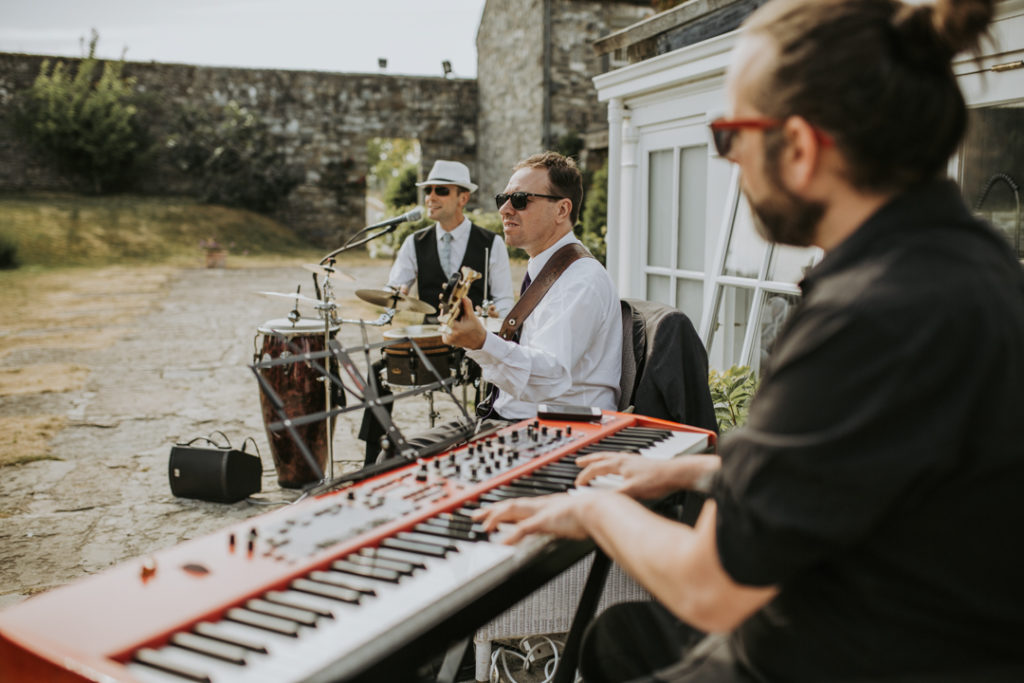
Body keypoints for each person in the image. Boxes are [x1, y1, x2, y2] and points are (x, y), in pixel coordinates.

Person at [474, 0, 1024, 681]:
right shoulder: (965, 261)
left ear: (797, 146)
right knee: (622, 636)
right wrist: (698, 467)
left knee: (631, 639)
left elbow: (711, 583)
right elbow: (869, 461)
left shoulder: (871, 311)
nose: (730, 161)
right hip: (905, 621)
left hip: (849, 650)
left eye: (730, 135)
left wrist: (591, 506)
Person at [442, 151, 622, 420]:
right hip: (522, 422)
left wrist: (481, 342)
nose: (504, 209)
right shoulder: (550, 268)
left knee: (401, 458)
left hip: (560, 433)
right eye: (503, 199)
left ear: (562, 210)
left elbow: (549, 377)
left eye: (520, 199)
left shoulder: (580, 280)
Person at [387, 159, 514, 321]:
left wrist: (497, 315)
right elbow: (392, 290)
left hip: (475, 341)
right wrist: (394, 294)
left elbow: (504, 299)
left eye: (441, 190)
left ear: (463, 199)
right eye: (428, 190)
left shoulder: (492, 243)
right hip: (429, 342)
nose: (430, 197)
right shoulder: (414, 242)